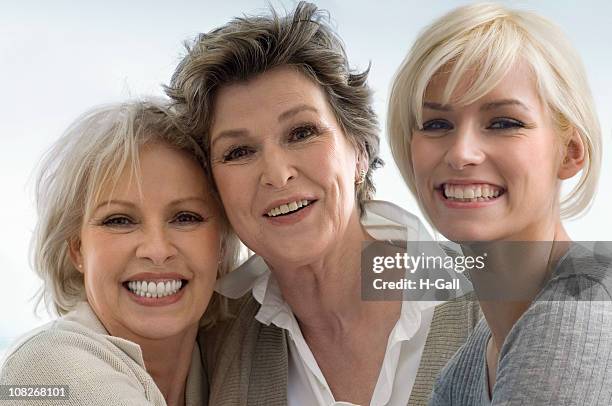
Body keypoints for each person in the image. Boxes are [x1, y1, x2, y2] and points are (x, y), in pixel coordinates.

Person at [166, 2, 479, 405]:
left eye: (301, 132)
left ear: (359, 153)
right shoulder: (213, 337)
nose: (277, 174)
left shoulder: (494, 291)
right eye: (239, 151)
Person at [387, 3, 612, 405]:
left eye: (504, 123)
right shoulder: (472, 358)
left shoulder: (579, 310)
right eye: (437, 124)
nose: (462, 154)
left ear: (571, 152)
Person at [0, 100, 239, 406]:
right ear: (77, 250)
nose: (156, 250)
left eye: (185, 217)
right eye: (119, 221)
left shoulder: (224, 367)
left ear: (220, 243)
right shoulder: (45, 371)